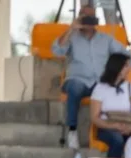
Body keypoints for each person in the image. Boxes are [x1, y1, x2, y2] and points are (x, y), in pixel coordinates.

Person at [52, 5, 126, 149]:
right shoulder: (72, 37)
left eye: (91, 16)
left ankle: (107, 131)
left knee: (112, 91)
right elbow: (57, 50)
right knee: (75, 87)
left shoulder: (106, 39)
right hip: (77, 80)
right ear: (78, 17)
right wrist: (71, 29)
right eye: (84, 16)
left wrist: (118, 71)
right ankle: (72, 130)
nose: (88, 19)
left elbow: (126, 54)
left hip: (100, 83)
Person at [89, 52, 131, 158]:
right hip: (106, 127)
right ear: (117, 67)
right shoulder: (100, 88)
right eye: (126, 66)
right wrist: (113, 126)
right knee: (117, 139)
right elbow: (94, 117)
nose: (129, 69)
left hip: (128, 125)